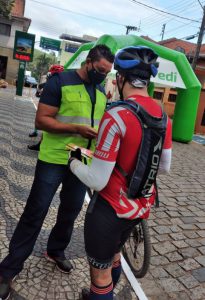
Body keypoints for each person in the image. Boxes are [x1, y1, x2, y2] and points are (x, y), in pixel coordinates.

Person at [0, 44, 114, 300]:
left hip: (81, 158)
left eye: (107, 72)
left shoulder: (99, 90)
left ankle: (56, 250)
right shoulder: (59, 81)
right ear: (88, 62)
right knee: (36, 211)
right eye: (99, 70)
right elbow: (41, 121)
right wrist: (76, 128)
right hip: (55, 156)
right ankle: (8, 269)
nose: (102, 75)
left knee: (70, 211)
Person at [68, 46, 172, 300]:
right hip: (138, 209)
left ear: (120, 79)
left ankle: (101, 293)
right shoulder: (163, 116)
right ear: (147, 81)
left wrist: (73, 163)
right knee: (115, 255)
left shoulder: (116, 115)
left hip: (109, 210)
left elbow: (97, 179)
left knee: (100, 275)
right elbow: (165, 166)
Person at [28, 65, 65, 140]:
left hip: (57, 107)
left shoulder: (63, 82)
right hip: (46, 103)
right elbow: (41, 86)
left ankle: (39, 139)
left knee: (48, 122)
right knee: (42, 119)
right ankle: (36, 132)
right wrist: (38, 92)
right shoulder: (51, 79)